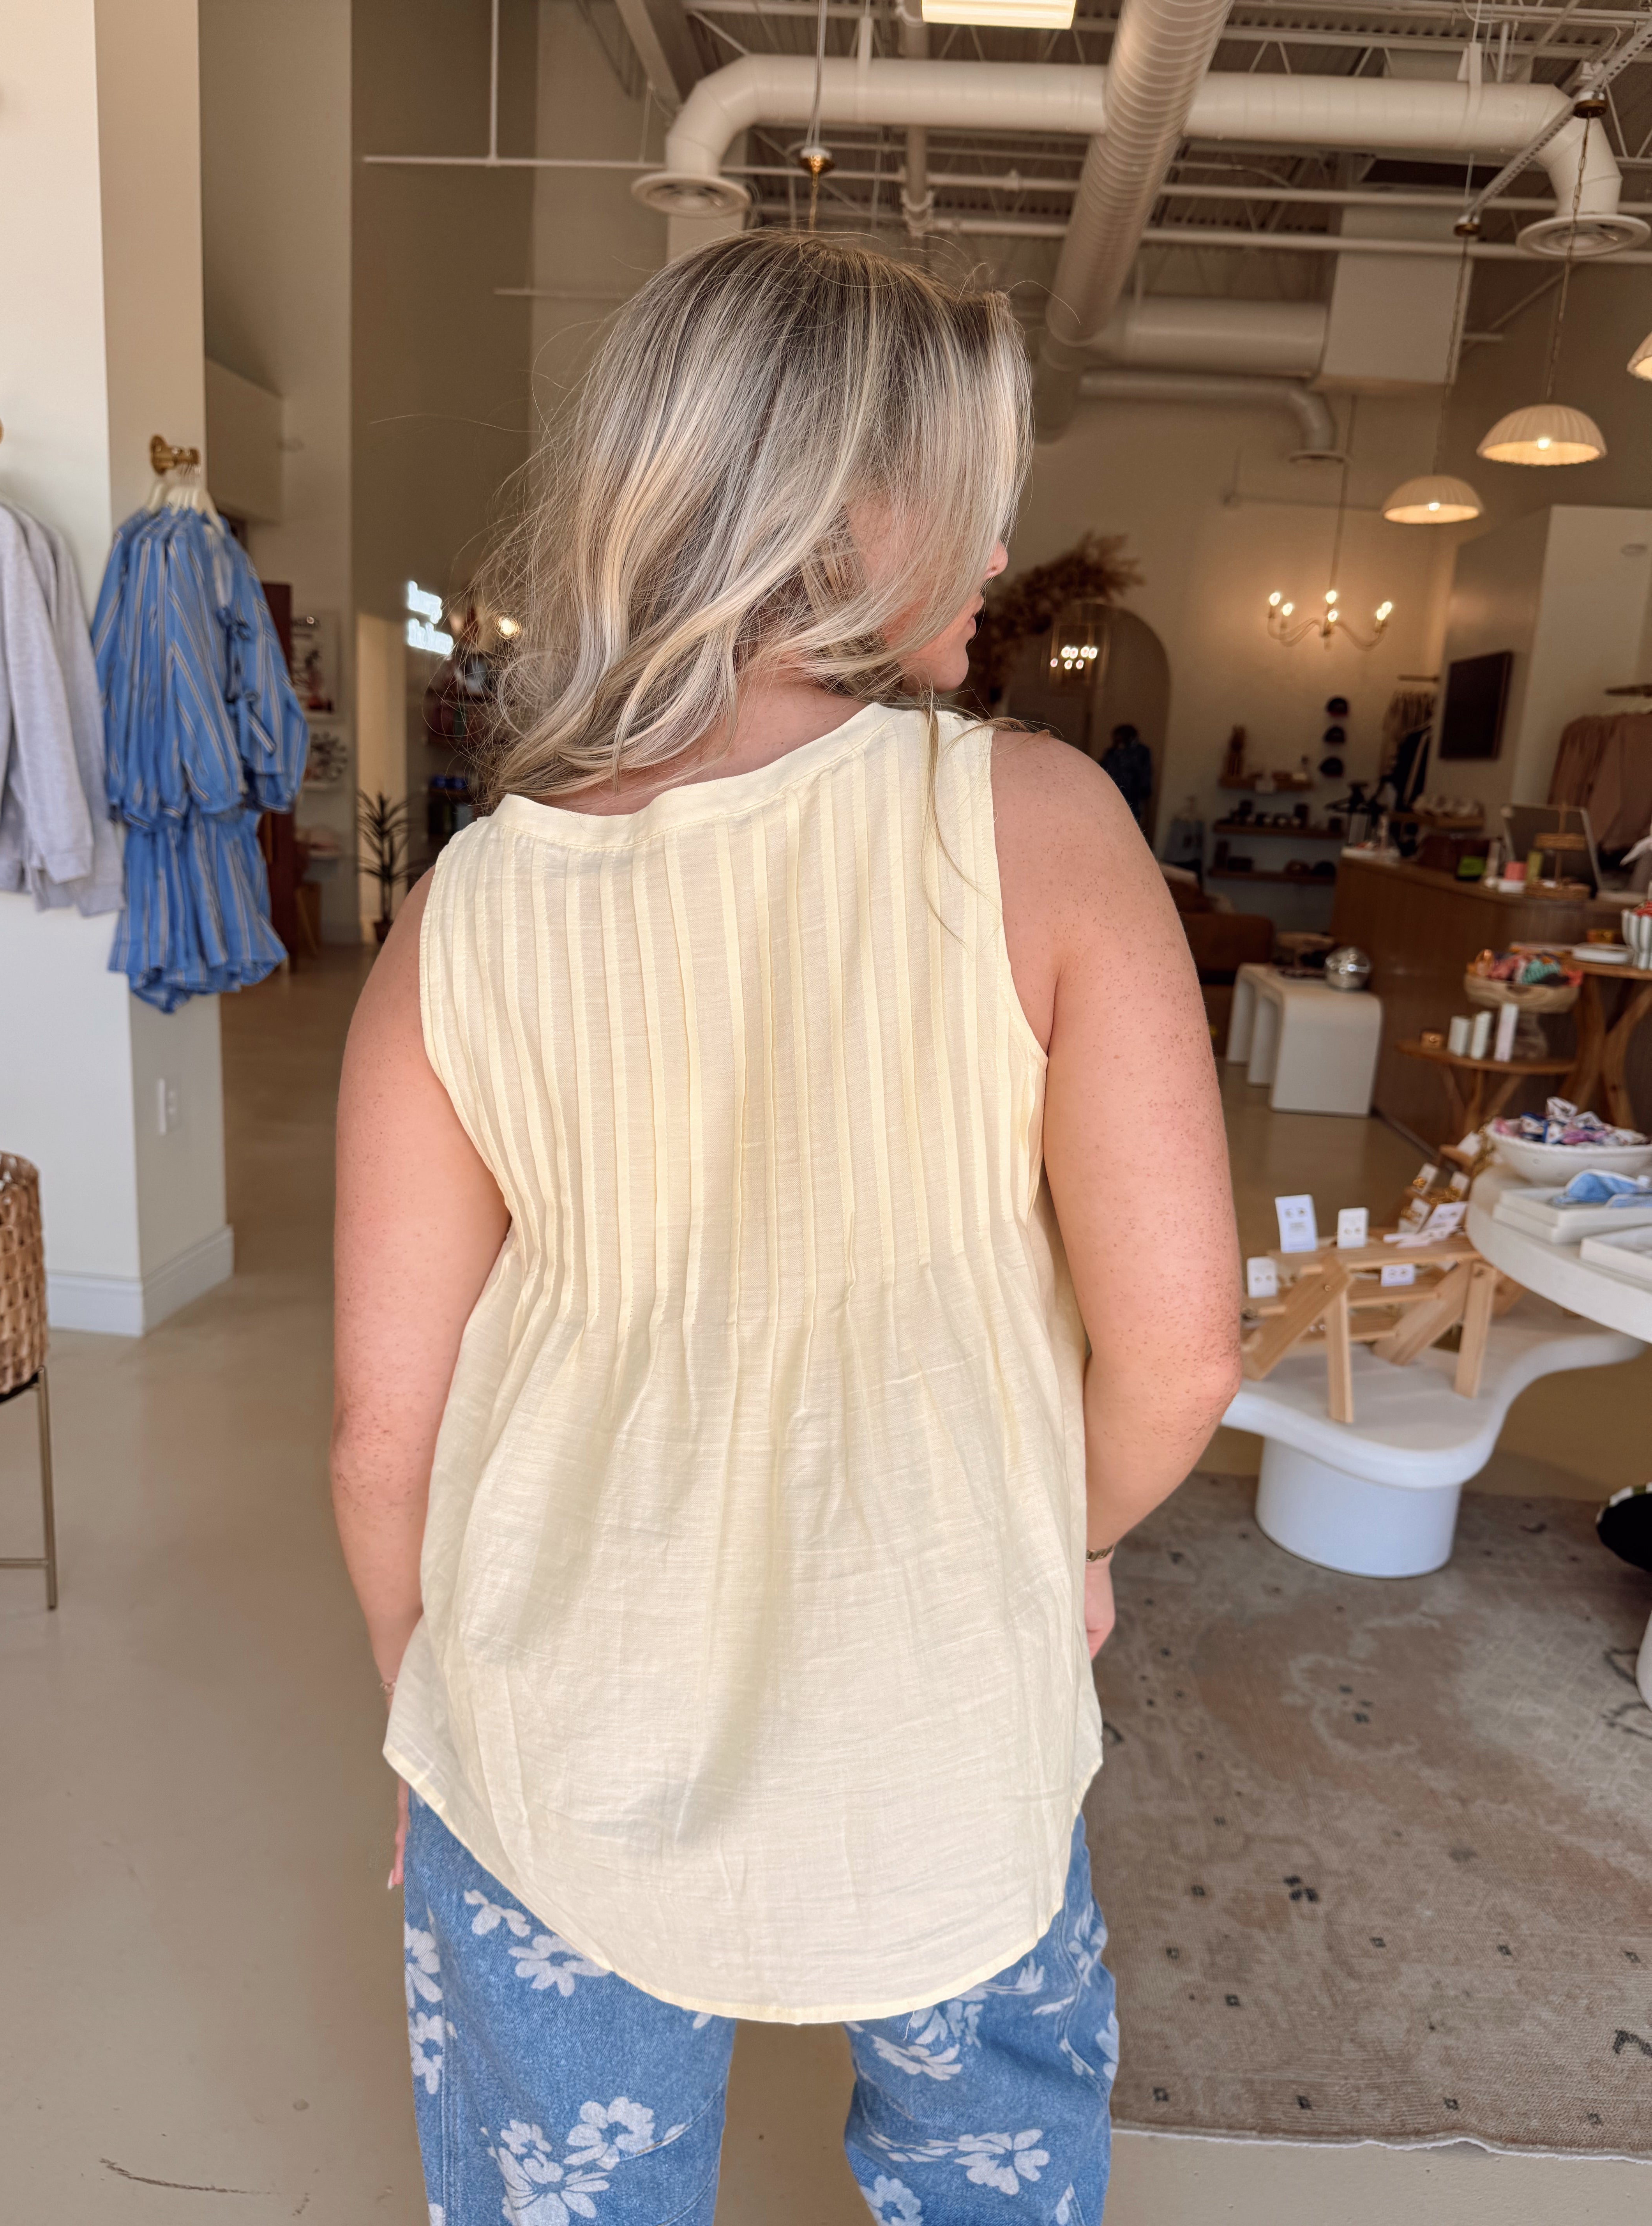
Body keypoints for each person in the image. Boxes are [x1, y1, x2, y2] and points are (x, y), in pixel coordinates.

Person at [332, 232, 1239, 2226]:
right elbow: (1181, 1352)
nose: (998, 550)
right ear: (837, 516)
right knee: (993, 2175)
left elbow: (384, 1438)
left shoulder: (463, 912)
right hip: (947, 1717)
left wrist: (423, 1715)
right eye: (971, 495)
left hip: (550, 1747)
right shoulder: (1039, 826)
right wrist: (1070, 1540)